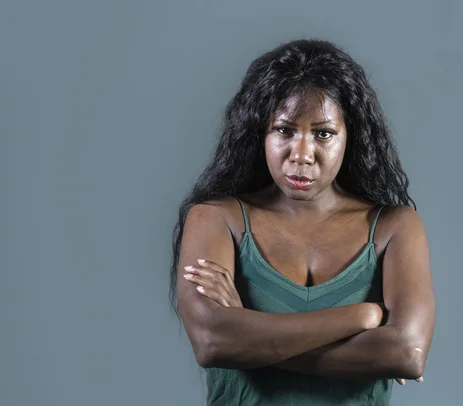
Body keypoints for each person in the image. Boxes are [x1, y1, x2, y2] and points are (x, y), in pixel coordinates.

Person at [169, 39, 436, 406]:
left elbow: (406, 353)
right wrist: (362, 316)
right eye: (284, 130)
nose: (301, 154)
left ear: (350, 136)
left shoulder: (394, 227)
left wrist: (251, 337)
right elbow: (214, 342)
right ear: (258, 132)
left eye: (323, 133)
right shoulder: (215, 219)